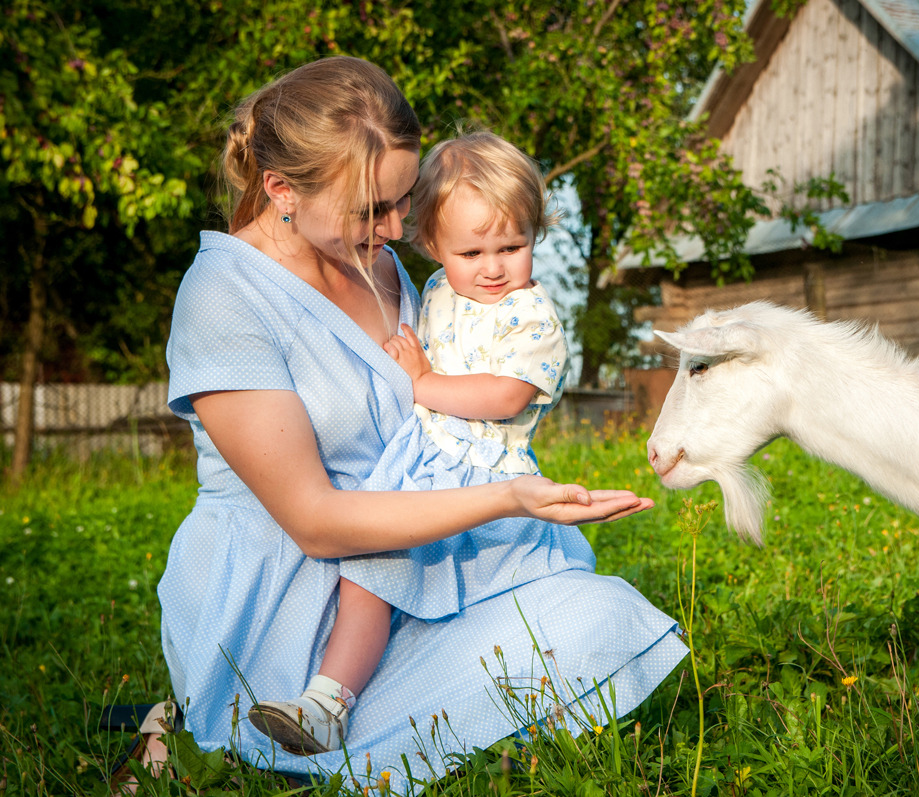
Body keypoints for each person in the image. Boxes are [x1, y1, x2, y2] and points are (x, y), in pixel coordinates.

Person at [152, 55, 687, 786]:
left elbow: (450, 397)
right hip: (295, 592)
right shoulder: (224, 297)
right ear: (280, 190)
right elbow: (315, 521)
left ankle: (427, 704)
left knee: (603, 613)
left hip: (421, 548)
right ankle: (283, 711)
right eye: (374, 209)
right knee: (332, 730)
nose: (400, 228)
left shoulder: (376, 259)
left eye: (404, 200)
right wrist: (509, 498)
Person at [246, 130, 574, 754]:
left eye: (513, 245)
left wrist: (422, 382)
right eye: (473, 250)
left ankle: (525, 717)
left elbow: (507, 396)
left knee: (498, 605)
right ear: (432, 245)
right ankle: (328, 702)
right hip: (416, 466)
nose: (495, 266)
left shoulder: (532, 314)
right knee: (369, 577)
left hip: (481, 471)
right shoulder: (436, 294)